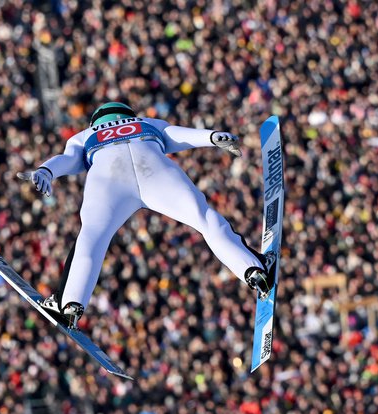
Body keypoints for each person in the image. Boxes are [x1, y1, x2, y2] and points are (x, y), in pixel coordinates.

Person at [18, 102, 276, 328]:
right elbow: (177, 134)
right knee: (204, 219)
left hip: (109, 181)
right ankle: (253, 269)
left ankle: (70, 304)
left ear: (96, 120)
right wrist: (212, 136)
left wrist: (46, 171)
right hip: (156, 173)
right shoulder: (145, 122)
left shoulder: (85, 135)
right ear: (129, 114)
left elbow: (68, 159)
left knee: (92, 238)